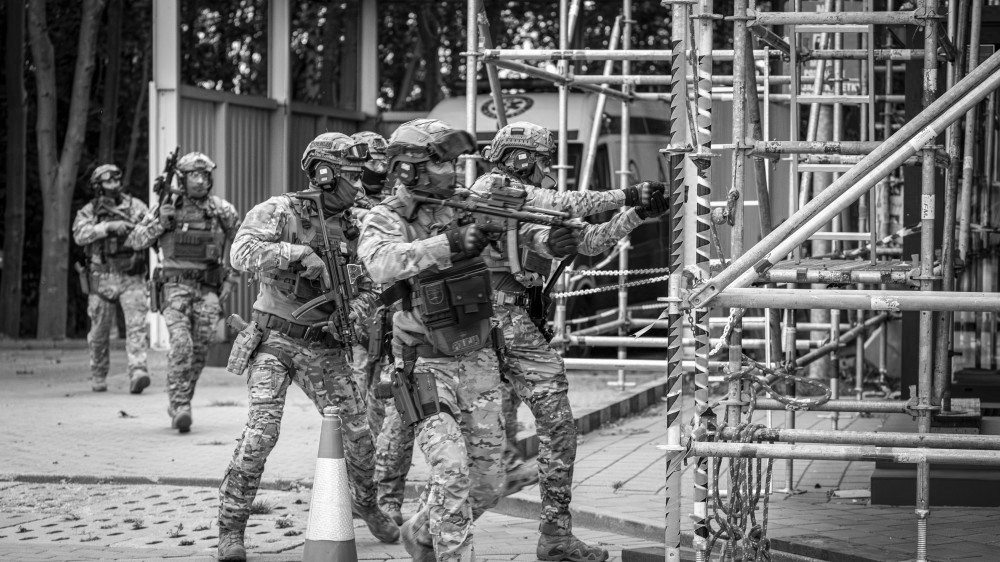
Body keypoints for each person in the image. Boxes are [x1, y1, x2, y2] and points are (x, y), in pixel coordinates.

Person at [359, 118, 577, 561]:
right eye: (442, 162)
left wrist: (552, 241)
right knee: (453, 471)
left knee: (488, 485)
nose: (453, 170)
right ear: (408, 168)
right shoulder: (387, 217)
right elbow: (382, 263)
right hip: (424, 365)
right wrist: (450, 243)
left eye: (455, 162)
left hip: (478, 361)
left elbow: (521, 230)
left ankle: (421, 532)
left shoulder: (464, 204)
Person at [473, 121, 668, 562]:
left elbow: (591, 241)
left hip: (517, 325)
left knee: (544, 430)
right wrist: (628, 195)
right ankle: (429, 527)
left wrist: (639, 214)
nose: (546, 168)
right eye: (540, 159)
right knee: (488, 447)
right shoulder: (492, 189)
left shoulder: (535, 200)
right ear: (518, 158)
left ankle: (554, 535)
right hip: (491, 325)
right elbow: (565, 204)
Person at [215, 132, 399, 562]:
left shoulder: (360, 223)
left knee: (359, 439)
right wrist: (296, 254)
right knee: (261, 435)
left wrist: (353, 311)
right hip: (275, 341)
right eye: (352, 175)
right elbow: (241, 252)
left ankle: (367, 504)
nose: (360, 182)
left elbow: (376, 284)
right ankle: (231, 528)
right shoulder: (281, 210)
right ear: (325, 173)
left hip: (327, 346)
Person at [126, 152, 240, 433]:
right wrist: (160, 224)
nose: (200, 181)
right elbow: (135, 240)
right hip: (174, 288)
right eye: (193, 176)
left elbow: (242, 246)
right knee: (181, 344)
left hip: (209, 290)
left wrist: (232, 279)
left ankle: (181, 400)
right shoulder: (166, 208)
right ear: (182, 179)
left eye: (204, 175)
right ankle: (180, 406)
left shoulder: (222, 210)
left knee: (199, 352)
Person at [348, 130, 415, 526]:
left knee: (399, 414)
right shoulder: (340, 205)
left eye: (381, 160)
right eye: (369, 161)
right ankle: (356, 493)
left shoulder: (401, 204)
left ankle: (388, 499)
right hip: (356, 331)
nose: (377, 167)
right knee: (357, 419)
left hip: (397, 324)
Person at [72, 164, 151, 393]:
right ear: (98, 186)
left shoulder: (135, 206)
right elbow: (79, 235)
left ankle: (138, 371)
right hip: (102, 277)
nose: (114, 185)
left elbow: (151, 229)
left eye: (116, 180)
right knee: (99, 330)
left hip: (132, 275)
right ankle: (98, 373)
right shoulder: (90, 211)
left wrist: (134, 230)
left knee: (136, 326)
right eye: (108, 182)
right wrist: (107, 227)